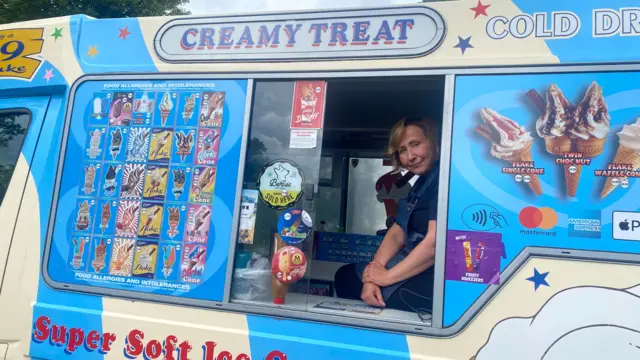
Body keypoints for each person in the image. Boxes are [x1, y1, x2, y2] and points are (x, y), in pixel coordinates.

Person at [334, 117, 440, 314]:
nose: (410, 156)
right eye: (402, 150)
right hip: (411, 266)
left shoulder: (444, 180)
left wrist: (386, 278)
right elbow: (397, 231)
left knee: (348, 280)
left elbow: (435, 244)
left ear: (433, 142)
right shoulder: (420, 183)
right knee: (347, 276)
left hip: (434, 277)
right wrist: (374, 272)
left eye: (415, 145)